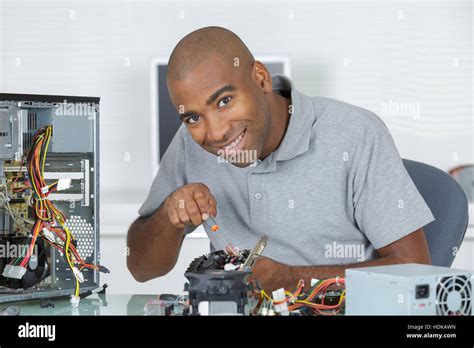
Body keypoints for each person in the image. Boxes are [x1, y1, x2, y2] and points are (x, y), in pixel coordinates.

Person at [127, 26, 434, 292]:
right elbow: (141, 269)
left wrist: (292, 279)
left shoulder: (356, 134)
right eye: (193, 117)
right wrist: (169, 216)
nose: (216, 132)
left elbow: (416, 271)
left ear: (260, 78)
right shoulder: (191, 144)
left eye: (225, 101)